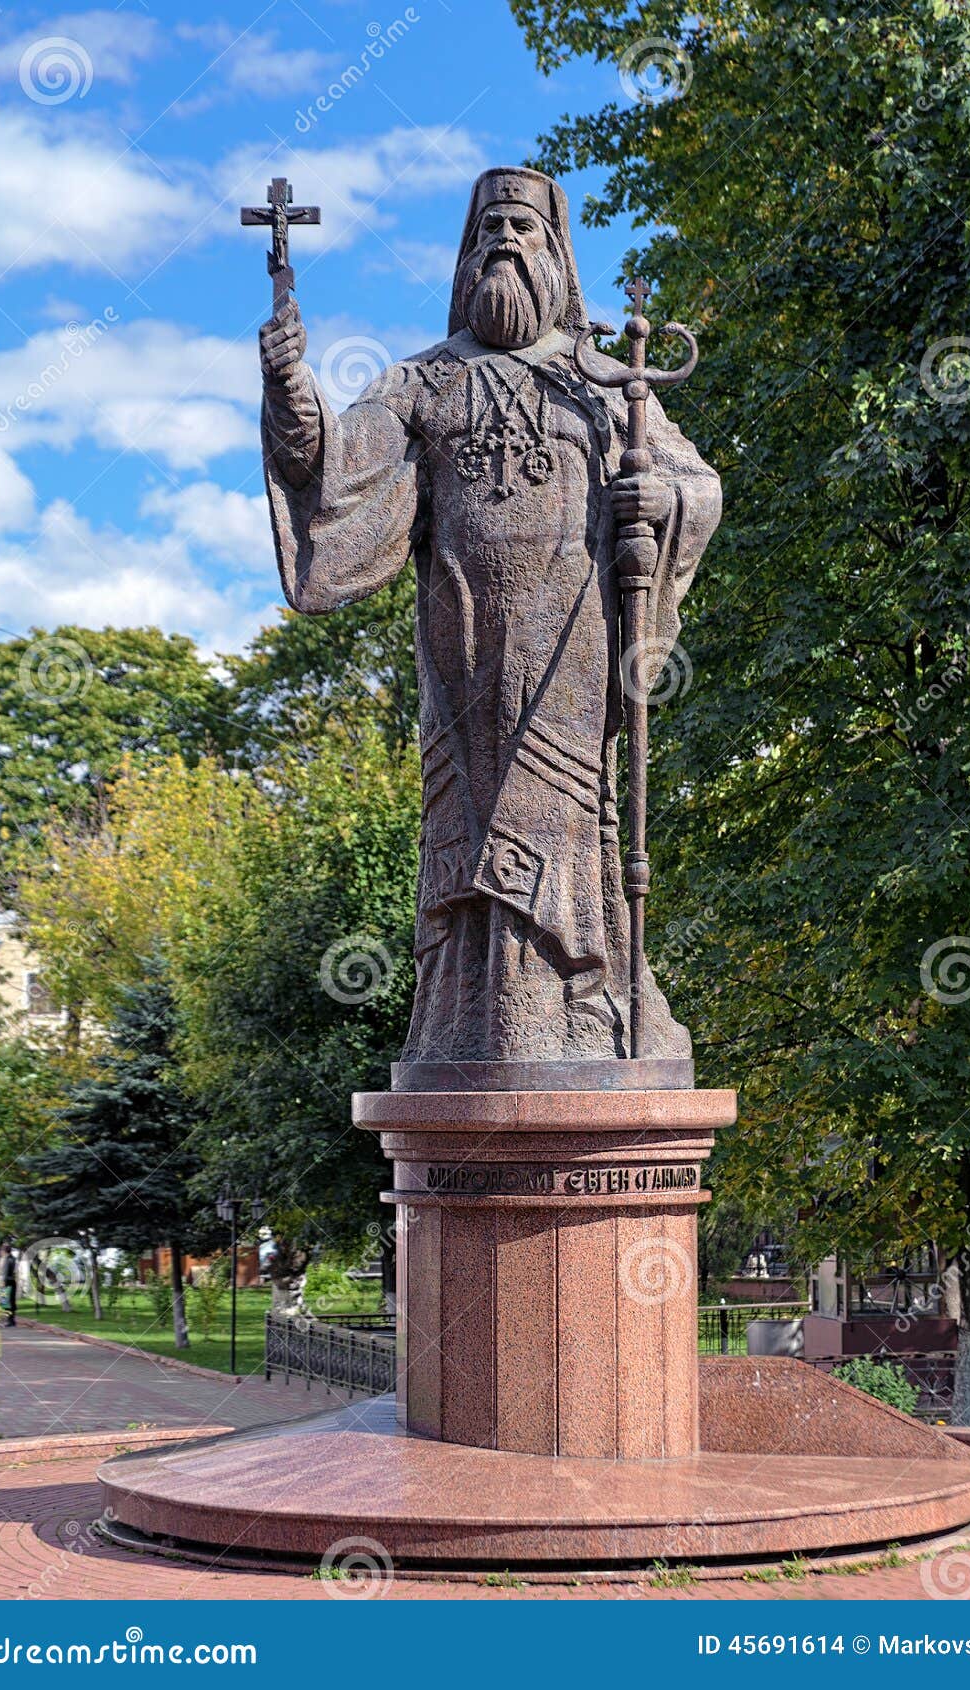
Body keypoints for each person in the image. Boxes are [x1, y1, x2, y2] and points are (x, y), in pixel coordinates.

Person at [259, 167, 722, 1065]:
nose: (506, 241)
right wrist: (289, 387)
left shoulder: (603, 383)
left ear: (556, 256)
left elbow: (694, 486)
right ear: (467, 257)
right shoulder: (423, 381)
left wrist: (650, 498)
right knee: (466, 831)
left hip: (572, 653)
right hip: (463, 653)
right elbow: (332, 466)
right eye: (491, 231)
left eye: (524, 229)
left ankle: (587, 1015)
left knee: (563, 817)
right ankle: (467, 1028)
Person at [0, 1242, 17, 1327]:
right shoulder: (12, 1258)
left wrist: (3, 1282)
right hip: (12, 1282)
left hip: (7, 1282)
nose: (0, 1251)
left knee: (7, 1302)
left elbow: (5, 1272)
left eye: (1, 1249)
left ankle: (10, 1320)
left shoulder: (7, 1259)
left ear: (4, 1250)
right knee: (10, 1302)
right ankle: (11, 1320)